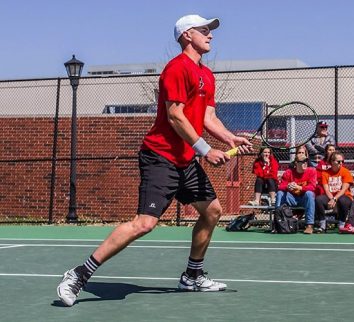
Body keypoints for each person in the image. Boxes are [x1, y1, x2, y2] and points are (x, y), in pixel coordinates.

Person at [56, 14, 253, 306]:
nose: (210, 35)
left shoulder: (207, 75)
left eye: (210, 31)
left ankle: (192, 276)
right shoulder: (176, 69)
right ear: (187, 35)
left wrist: (228, 138)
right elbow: (175, 116)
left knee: (212, 211)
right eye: (204, 30)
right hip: (159, 157)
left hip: (185, 161)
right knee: (144, 223)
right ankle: (78, 274)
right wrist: (204, 150)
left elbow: (208, 116)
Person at [275, 146, 317, 234]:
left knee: (309, 194)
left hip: (304, 198)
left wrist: (300, 187)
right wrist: (288, 186)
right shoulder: (289, 172)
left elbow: (312, 187)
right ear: (296, 163)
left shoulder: (312, 171)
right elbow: (280, 186)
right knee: (280, 193)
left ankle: (309, 225)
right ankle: (277, 223)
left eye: (305, 161)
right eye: (302, 162)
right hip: (292, 198)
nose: (304, 163)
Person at [315, 152, 354, 233]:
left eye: (342, 161)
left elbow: (343, 190)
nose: (341, 163)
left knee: (342, 200)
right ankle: (322, 224)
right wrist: (332, 199)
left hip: (344, 196)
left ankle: (341, 224)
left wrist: (334, 199)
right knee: (319, 199)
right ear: (332, 162)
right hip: (330, 197)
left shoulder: (346, 172)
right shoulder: (325, 173)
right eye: (338, 161)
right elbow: (326, 190)